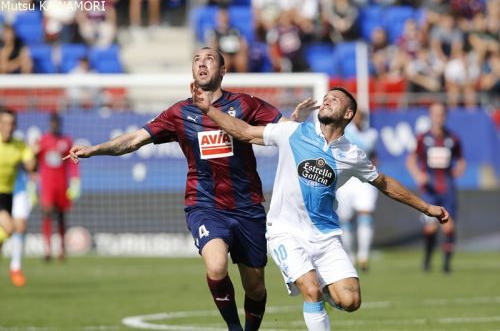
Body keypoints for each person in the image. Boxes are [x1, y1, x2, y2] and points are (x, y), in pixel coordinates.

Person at [64, 47, 318, 331]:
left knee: (256, 286)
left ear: (223, 70)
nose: (202, 63)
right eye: (197, 59)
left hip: (247, 207)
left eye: (209, 59)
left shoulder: (246, 105)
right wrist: (93, 150)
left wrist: (296, 122)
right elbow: (134, 139)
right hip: (204, 205)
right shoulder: (179, 112)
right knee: (216, 265)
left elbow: (286, 132)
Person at [190, 84, 449, 331]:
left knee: (350, 301)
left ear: (348, 114)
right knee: (310, 290)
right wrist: (209, 110)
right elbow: (245, 131)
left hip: (325, 237)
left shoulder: (352, 154)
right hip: (285, 232)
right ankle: (314, 293)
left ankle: (323, 291)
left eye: (334, 99)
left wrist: (426, 208)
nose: (326, 100)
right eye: (326, 98)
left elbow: (385, 184)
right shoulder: (292, 132)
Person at [406, 102, 465, 273]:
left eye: (441, 114)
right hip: (429, 189)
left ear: (445, 116)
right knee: (430, 227)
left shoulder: (452, 138)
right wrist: (418, 175)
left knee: (449, 226)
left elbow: (461, 160)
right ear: (430, 116)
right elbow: (411, 160)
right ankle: (427, 260)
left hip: (447, 187)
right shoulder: (423, 138)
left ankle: (446, 265)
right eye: (435, 114)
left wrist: (459, 169)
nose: (439, 117)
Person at [335, 110, 378, 271]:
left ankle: (363, 256)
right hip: (346, 181)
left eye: (361, 117)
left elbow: (373, 155)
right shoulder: (345, 132)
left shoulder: (372, 135)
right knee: (345, 219)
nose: (358, 120)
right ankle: (350, 256)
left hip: (364, 180)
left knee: (365, 215)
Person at [37, 113, 80, 262]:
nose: (54, 126)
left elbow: (72, 163)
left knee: (61, 216)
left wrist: (75, 180)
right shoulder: (43, 140)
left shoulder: (66, 141)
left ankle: (61, 249)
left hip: (62, 184)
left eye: (57, 123)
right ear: (50, 124)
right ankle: (47, 250)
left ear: (59, 124)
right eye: (52, 123)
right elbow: (34, 161)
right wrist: (32, 181)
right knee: (47, 213)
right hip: (47, 184)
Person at [0, 109, 36, 285]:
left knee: (9, 232)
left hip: (8, 193)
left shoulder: (19, 145)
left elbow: (30, 165)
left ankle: (15, 268)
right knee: (10, 228)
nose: (9, 127)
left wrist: (33, 156)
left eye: (12, 123)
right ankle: (15, 268)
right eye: (5, 123)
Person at [9, 169, 36, 286]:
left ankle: (16, 267)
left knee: (20, 226)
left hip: (19, 190)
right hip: (2, 189)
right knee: (6, 229)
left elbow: (31, 166)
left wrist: (32, 186)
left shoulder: (21, 150)